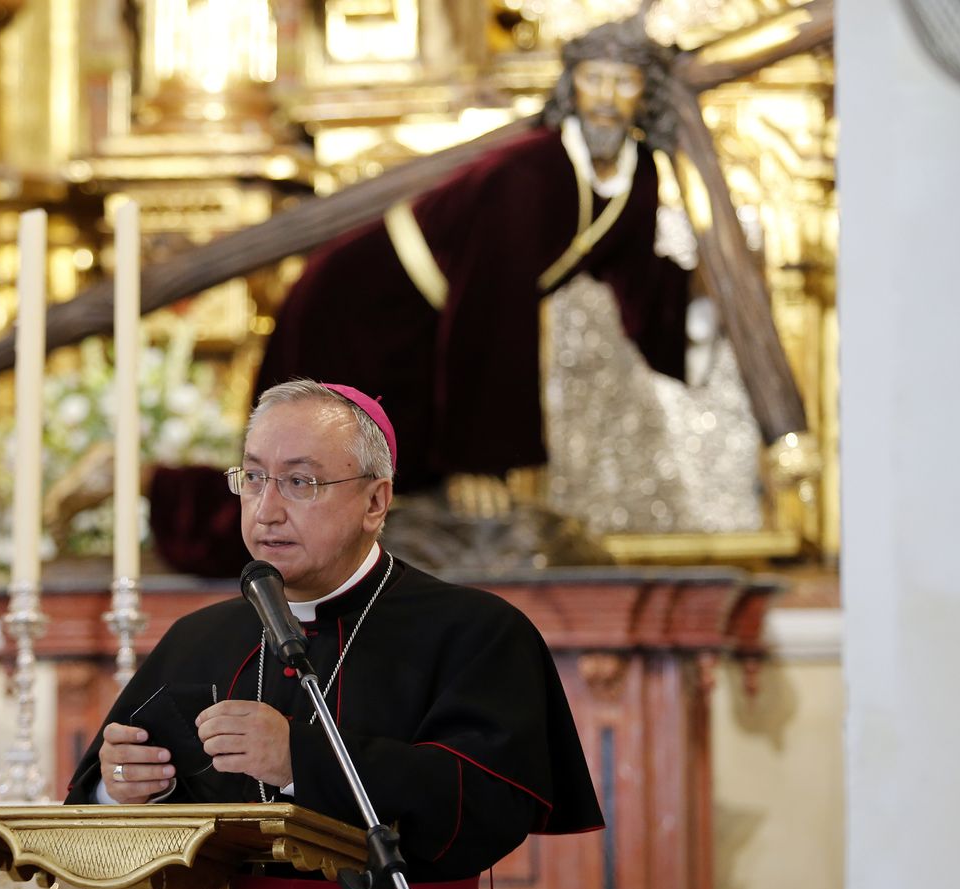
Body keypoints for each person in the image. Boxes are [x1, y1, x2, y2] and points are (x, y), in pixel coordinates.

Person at [149, 18, 694, 575]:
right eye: (592, 79)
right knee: (305, 480)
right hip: (356, 305)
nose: (605, 99)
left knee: (374, 491)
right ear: (570, 85)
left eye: (623, 82)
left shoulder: (636, 175)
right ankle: (162, 491)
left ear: (644, 94)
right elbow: (490, 315)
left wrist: (695, 298)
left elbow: (637, 278)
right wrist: (479, 462)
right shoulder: (530, 173)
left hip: (424, 322)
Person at [65, 380, 604, 889]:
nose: (266, 510)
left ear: (375, 503)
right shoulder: (195, 637)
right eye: (253, 478)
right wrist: (117, 788)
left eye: (300, 483)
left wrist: (300, 758)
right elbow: (98, 814)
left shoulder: (476, 631)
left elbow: (490, 803)